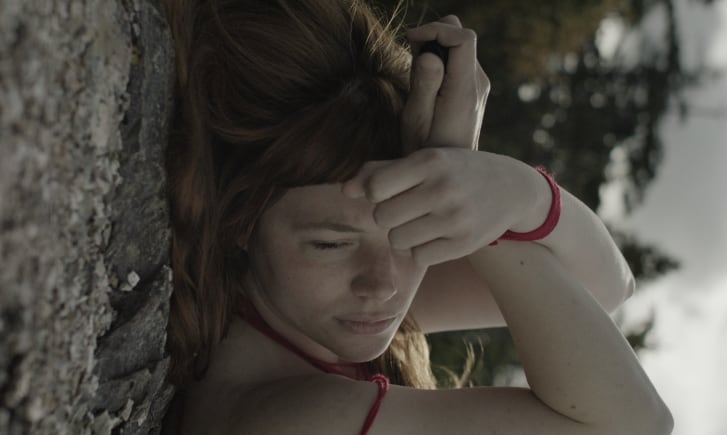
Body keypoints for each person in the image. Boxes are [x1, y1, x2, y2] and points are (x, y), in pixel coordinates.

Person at [159, 0, 673, 434]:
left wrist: (507, 193)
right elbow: (631, 425)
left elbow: (605, 288)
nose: (384, 284)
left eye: (411, 232)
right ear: (241, 222)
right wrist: (485, 205)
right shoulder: (297, 417)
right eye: (331, 244)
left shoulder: (295, 306)